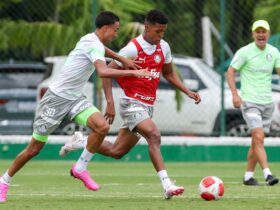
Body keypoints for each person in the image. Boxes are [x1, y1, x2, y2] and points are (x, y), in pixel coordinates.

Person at [0, 11, 152, 203]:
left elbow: (103, 50)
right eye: (115, 30)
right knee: (34, 148)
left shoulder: (90, 40)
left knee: (102, 127)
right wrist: (134, 74)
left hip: (74, 99)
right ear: (105, 28)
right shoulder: (93, 44)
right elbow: (103, 72)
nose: (116, 34)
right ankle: (4, 181)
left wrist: (123, 60)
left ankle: (80, 168)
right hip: (55, 99)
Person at [59, 9, 201, 199]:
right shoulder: (132, 49)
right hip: (131, 103)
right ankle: (167, 184)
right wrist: (110, 103)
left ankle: (81, 141)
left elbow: (168, 73)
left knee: (116, 151)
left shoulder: (164, 47)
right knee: (154, 135)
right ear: (147, 27)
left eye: (163, 32)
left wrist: (187, 91)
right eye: (158, 31)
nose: (161, 35)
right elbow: (107, 73)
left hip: (147, 106)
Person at [227, 20, 280, 186]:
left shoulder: (274, 52)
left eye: (264, 31)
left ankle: (248, 177)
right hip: (250, 103)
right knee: (259, 137)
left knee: (256, 141)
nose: (261, 35)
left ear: (269, 34)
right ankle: (268, 174)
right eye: (258, 32)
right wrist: (235, 95)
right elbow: (230, 71)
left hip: (267, 104)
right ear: (253, 34)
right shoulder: (245, 52)